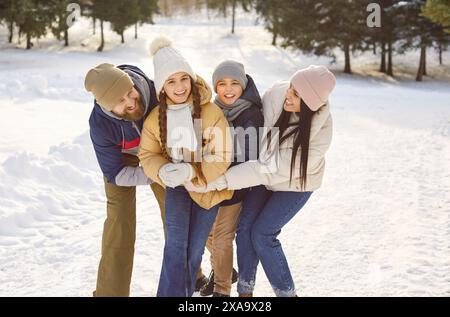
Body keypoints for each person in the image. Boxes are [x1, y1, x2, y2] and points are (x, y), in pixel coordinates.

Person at [191, 65, 336, 297]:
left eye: (297, 95)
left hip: (295, 184)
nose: (289, 95)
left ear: (311, 103)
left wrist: (220, 181)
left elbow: (266, 169)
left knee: (263, 233)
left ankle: (287, 293)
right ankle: (245, 292)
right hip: (264, 177)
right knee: (245, 229)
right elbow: (250, 114)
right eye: (291, 88)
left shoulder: (320, 134)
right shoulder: (275, 96)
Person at [138, 37, 233, 297]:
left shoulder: (210, 112)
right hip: (178, 189)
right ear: (162, 87)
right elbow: (148, 154)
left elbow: (223, 154)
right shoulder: (155, 119)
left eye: (183, 78)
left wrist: (193, 171)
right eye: (171, 81)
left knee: (194, 251)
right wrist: (161, 170)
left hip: (207, 190)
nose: (179, 86)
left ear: (191, 78)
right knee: (175, 247)